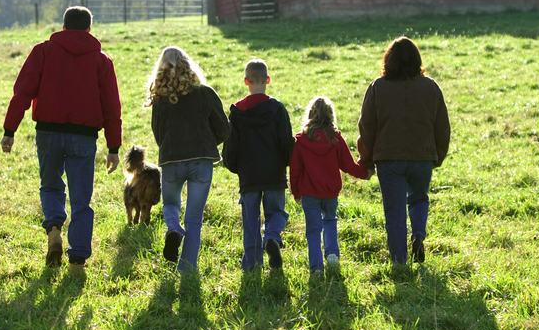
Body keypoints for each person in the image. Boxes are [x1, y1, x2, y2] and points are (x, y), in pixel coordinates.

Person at [1, 6, 122, 275]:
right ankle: (77, 264)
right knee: (82, 200)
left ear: (63, 27)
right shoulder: (102, 62)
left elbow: (22, 93)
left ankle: (54, 228)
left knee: (51, 186)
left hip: (48, 133)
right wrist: (113, 147)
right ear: (89, 29)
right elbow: (112, 108)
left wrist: (10, 130)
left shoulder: (43, 51)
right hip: (84, 137)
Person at [357, 36, 450, 265]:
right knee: (419, 198)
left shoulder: (377, 88)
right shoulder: (431, 87)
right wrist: (436, 155)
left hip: (388, 158)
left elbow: (367, 127)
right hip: (423, 156)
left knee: (395, 213)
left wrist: (366, 161)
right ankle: (418, 235)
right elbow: (442, 126)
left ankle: (399, 262)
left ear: (388, 61)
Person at [145, 46, 230, 273]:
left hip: (171, 161)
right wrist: (208, 142)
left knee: (170, 204)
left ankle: (173, 228)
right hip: (201, 161)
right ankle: (187, 270)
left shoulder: (160, 99)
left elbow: (158, 134)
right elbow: (224, 129)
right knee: (194, 217)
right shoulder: (205, 93)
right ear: (188, 64)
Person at [222, 59, 294, 271]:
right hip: (274, 173)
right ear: (268, 80)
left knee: (250, 223)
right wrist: (287, 163)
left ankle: (252, 266)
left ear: (246, 81)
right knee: (277, 213)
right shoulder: (277, 109)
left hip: (249, 176)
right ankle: (272, 236)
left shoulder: (236, 113)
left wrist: (236, 167)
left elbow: (231, 148)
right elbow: (286, 142)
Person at [290, 96, 371, 275]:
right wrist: (365, 173)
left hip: (309, 193)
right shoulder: (335, 139)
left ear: (310, 115)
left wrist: (296, 193)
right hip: (330, 192)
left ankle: (316, 267)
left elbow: (294, 171)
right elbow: (348, 166)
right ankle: (332, 254)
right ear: (331, 115)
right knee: (330, 221)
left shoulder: (302, 141)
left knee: (312, 230)